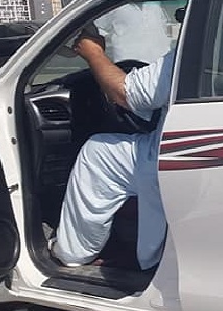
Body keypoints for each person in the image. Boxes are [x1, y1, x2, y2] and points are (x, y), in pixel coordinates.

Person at [50, 28, 174, 270]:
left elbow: (128, 93)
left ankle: (73, 252)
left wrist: (93, 53)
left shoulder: (202, 45)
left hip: (176, 152)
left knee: (97, 152)